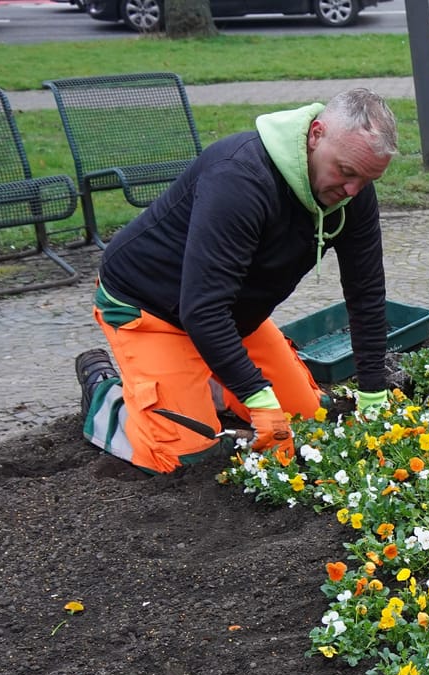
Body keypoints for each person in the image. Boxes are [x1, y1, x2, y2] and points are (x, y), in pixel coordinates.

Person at [74, 88, 399, 473]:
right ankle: (106, 392)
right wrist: (256, 398)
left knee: (308, 422)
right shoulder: (239, 178)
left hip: (232, 316)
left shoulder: (352, 190)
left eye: (366, 180)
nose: (352, 191)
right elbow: (202, 308)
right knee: (183, 456)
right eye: (346, 172)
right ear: (315, 135)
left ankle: (200, 381)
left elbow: (366, 294)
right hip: (151, 307)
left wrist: (373, 391)